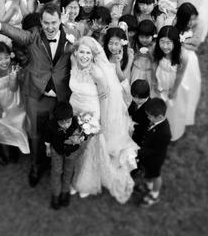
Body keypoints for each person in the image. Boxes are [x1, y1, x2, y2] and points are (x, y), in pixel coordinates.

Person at [0, 2, 72, 187]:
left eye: (54, 22)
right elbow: (9, 31)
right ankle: (36, 166)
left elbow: (82, 51)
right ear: (41, 22)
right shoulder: (32, 36)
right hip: (36, 93)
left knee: (60, 130)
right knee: (35, 133)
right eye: (46, 23)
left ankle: (59, 165)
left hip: (62, 94)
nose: (50, 27)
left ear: (61, 19)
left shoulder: (72, 35)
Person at [68, 36, 136, 202]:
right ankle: (71, 173)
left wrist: (102, 124)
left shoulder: (97, 73)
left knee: (89, 149)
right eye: (81, 52)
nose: (84, 56)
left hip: (92, 113)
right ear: (76, 52)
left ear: (93, 56)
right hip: (74, 109)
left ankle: (83, 182)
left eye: (88, 53)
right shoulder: (73, 61)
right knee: (74, 145)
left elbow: (105, 99)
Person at [0, 41, 31, 163]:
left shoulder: (12, 67)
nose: (4, 62)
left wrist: (13, 78)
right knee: (1, 125)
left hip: (13, 98)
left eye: (7, 57)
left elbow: (13, 88)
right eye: (0, 59)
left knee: (17, 123)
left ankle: (13, 147)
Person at [42, 101, 85, 210]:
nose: (66, 125)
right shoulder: (51, 125)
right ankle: (56, 194)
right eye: (62, 123)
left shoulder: (76, 122)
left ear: (71, 117)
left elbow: (83, 134)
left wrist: (82, 137)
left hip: (72, 152)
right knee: (56, 172)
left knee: (68, 171)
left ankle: (65, 192)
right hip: (57, 151)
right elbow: (47, 137)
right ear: (57, 120)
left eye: (68, 121)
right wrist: (47, 147)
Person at [134, 98, 172, 206]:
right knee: (147, 172)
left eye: (150, 116)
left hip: (155, 159)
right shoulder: (155, 122)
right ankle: (148, 185)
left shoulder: (165, 133)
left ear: (159, 117)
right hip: (147, 155)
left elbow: (155, 150)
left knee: (155, 175)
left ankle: (154, 194)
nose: (148, 117)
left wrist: (139, 151)